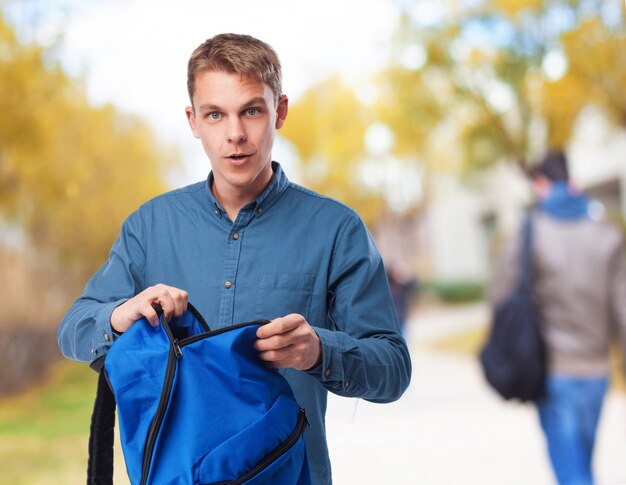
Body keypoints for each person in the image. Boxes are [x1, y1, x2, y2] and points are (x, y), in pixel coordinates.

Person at [57, 33, 411, 484]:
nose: (235, 134)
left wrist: (319, 350)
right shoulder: (149, 226)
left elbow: (393, 367)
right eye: (215, 114)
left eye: (251, 110)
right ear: (193, 120)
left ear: (279, 111)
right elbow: (73, 329)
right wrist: (119, 315)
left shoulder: (336, 230)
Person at [489, 150, 626, 485]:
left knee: (573, 475)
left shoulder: (530, 233)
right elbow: (622, 308)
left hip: (554, 372)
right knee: (582, 468)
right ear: (572, 181)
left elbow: (500, 296)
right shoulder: (607, 234)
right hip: (597, 372)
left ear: (541, 183)